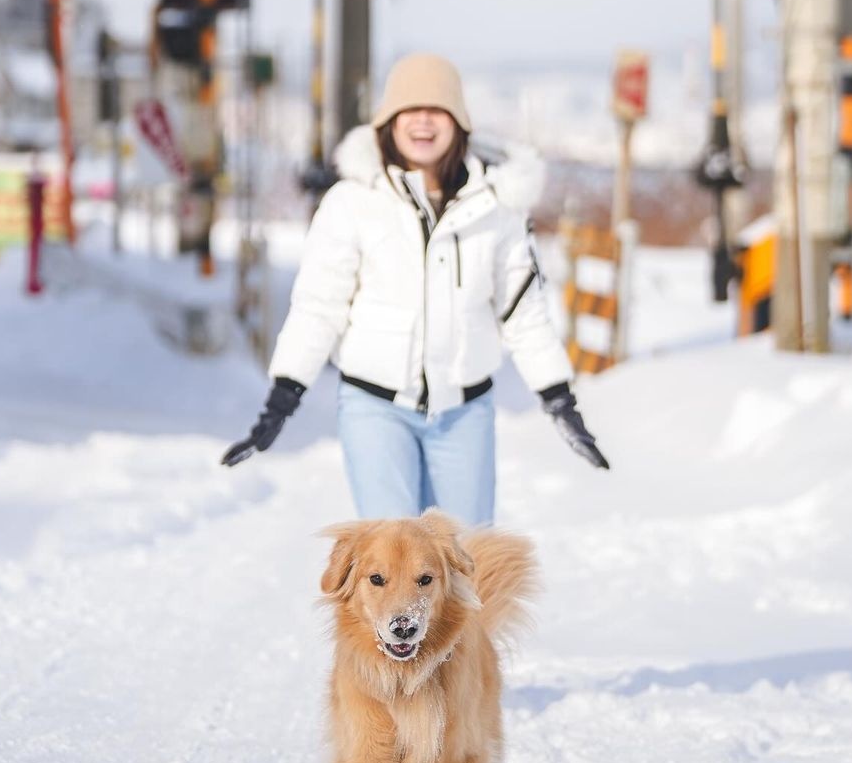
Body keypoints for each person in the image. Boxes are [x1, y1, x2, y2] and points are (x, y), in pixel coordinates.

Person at [221, 53, 609, 524]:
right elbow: (318, 309)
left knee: (465, 562)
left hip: (465, 411)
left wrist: (559, 401)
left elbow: (523, 314)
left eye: (437, 108)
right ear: (389, 121)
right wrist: (281, 399)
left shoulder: (497, 208)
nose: (423, 120)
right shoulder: (352, 201)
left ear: (458, 122)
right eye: (409, 109)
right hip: (375, 408)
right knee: (396, 561)